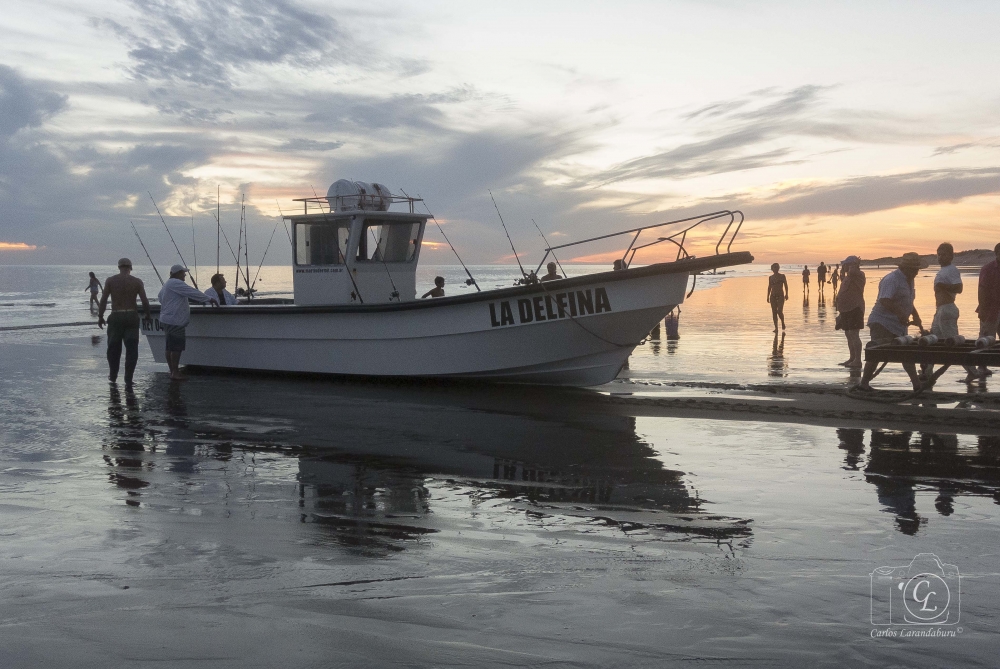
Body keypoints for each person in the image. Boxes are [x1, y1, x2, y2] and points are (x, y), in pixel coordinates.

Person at [856, 252, 925, 391]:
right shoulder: (892, 279)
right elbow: (885, 300)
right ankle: (864, 383)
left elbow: (908, 301)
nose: (917, 272)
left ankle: (917, 385)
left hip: (898, 325)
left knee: (906, 353)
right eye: (915, 269)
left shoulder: (909, 279)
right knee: (876, 353)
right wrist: (900, 313)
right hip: (882, 322)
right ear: (907, 268)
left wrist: (915, 315)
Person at [97, 258, 151, 387]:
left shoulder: (110, 280)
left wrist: (100, 316)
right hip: (132, 316)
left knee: (113, 348)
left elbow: (103, 300)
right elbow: (145, 301)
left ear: (119, 267)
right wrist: (148, 315)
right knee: (132, 349)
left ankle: (113, 375)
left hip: (116, 316)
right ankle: (128, 378)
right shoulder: (137, 282)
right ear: (130, 268)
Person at [158, 265, 218, 380]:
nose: (185, 275)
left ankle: (172, 371)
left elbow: (160, 298)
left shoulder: (167, 284)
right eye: (183, 273)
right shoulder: (176, 283)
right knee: (176, 347)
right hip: (175, 321)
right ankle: (175, 373)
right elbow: (192, 292)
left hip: (166, 319)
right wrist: (209, 299)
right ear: (177, 273)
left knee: (169, 347)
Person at [972, 242, 1000, 380]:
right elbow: (982, 290)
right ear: (997, 254)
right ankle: (981, 366)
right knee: (985, 339)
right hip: (990, 309)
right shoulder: (988, 269)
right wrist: (983, 310)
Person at [836, 256, 866, 368]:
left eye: (845, 265)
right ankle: (852, 358)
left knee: (854, 334)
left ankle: (858, 360)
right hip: (845, 309)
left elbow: (853, 270)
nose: (843, 267)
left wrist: (852, 264)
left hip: (855, 308)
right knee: (848, 334)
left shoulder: (859, 274)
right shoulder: (848, 277)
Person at [766, 263, 789, 332]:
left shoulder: (782, 276)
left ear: (778, 268)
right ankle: (776, 327)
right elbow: (769, 287)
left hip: (780, 296)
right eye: (774, 268)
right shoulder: (771, 277)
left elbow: (785, 285)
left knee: (779, 311)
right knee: (774, 312)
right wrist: (767, 296)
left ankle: (782, 322)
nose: (775, 269)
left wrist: (787, 294)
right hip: (772, 296)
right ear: (772, 269)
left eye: (776, 267)